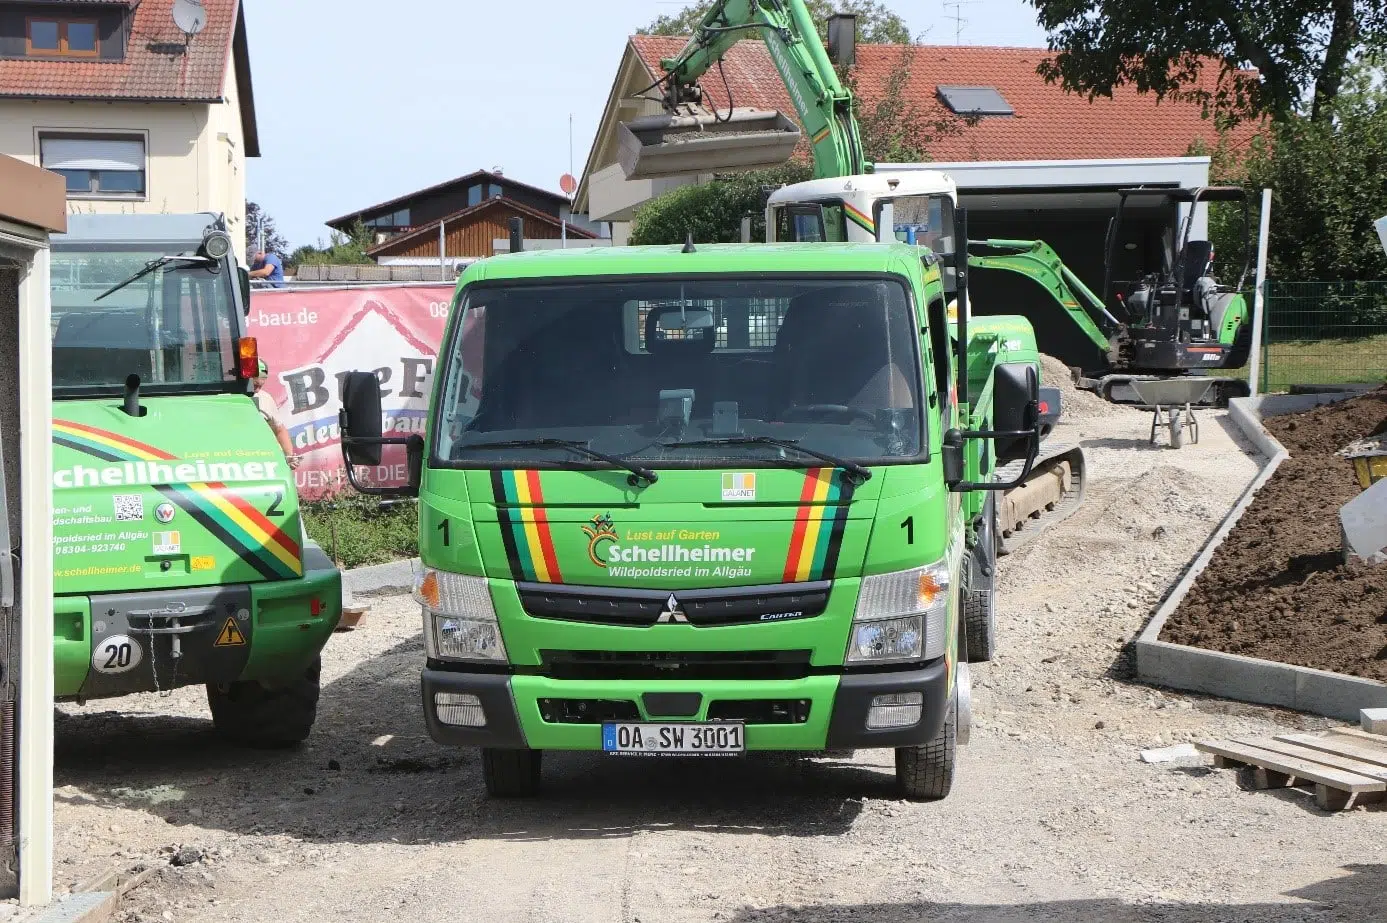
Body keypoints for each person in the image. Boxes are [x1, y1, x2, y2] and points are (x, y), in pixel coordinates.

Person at [251, 359, 301, 470]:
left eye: (261, 385)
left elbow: (279, 429)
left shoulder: (265, 398)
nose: (258, 390)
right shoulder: (227, 397)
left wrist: (289, 456)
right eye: (255, 385)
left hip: (262, 462)